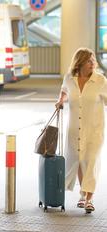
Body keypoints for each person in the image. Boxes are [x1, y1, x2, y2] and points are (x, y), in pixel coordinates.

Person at [55, 47, 107, 213]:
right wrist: (60, 101)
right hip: (74, 129)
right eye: (88, 60)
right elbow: (64, 90)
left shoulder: (100, 80)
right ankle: (83, 194)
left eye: (93, 60)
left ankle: (89, 199)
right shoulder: (70, 78)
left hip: (94, 129)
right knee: (78, 159)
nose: (93, 63)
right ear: (80, 62)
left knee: (91, 161)